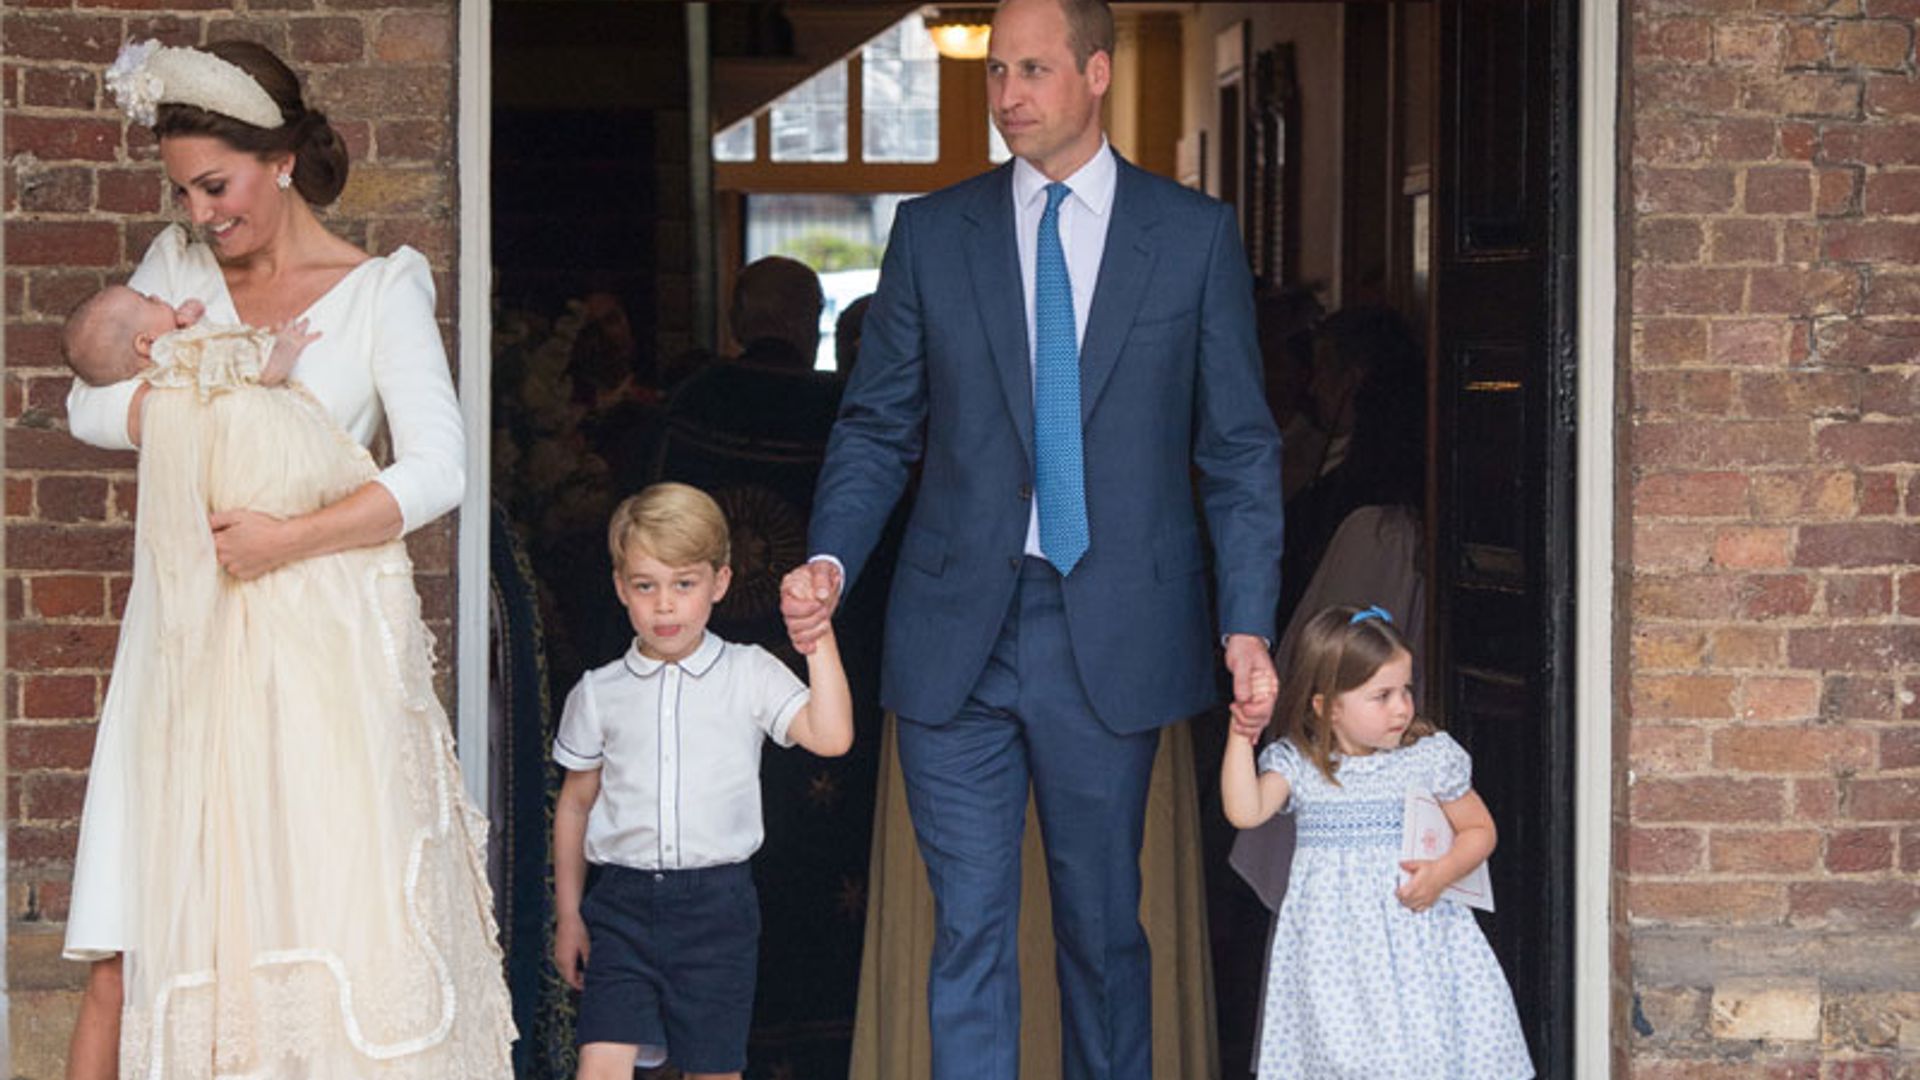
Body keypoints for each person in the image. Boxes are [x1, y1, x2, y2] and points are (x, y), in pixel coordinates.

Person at [780, 1, 1284, 1077]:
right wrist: (831, 556)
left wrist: (1247, 626)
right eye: (997, 70)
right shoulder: (933, 232)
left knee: (1104, 934)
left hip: (1113, 628)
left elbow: (1239, 450)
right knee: (967, 932)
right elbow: (877, 424)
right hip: (955, 625)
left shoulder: (1191, 236)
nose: (1007, 93)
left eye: (1034, 70)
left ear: (1097, 72)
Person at [62, 38, 513, 1078]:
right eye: (182, 193)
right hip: (180, 644)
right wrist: (212, 411)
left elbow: (439, 470)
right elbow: (89, 401)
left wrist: (288, 537)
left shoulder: (377, 290)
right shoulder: (176, 275)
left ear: (280, 161)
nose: (199, 216)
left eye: (215, 187)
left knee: (311, 930)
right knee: (128, 943)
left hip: (312, 654)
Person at [550, 483, 854, 1080]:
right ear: (620, 588)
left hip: (718, 910)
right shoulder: (598, 691)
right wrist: (570, 915)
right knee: (599, 1067)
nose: (665, 606)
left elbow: (833, 734)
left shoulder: (748, 673)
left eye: (684, 584)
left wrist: (816, 638)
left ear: (719, 583)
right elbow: (575, 805)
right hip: (622, 907)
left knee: (712, 1071)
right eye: (646, 586)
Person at [1219, 605, 1533, 1080]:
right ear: (1327, 706)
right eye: (1381, 695)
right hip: (1334, 957)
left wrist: (1442, 872)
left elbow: (1479, 829)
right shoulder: (1302, 764)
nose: (1403, 707)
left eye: (1405, 690)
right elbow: (1246, 810)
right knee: (1342, 1057)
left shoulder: (1426, 758)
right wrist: (1241, 738)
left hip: (1417, 946)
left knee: (1421, 1054)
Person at [62, 284, 311, 392]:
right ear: (146, 344)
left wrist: (189, 321)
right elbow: (247, 369)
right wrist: (283, 348)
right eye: (148, 300)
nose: (159, 298)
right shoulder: (180, 356)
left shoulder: (160, 372)